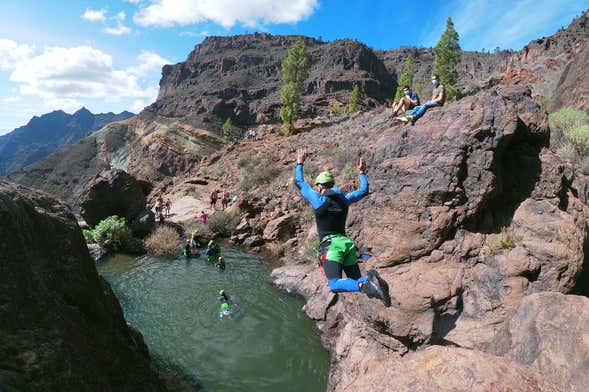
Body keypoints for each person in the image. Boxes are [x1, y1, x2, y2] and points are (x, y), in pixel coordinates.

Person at [294, 149, 391, 306]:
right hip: (347, 245)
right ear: (332, 184)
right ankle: (371, 282)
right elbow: (364, 191)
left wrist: (300, 162)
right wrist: (362, 172)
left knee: (334, 284)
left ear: (319, 187)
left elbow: (299, 182)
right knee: (354, 281)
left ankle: (367, 282)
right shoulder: (344, 200)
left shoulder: (318, 199)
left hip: (332, 246)